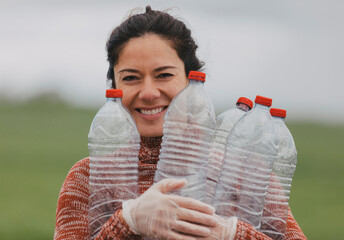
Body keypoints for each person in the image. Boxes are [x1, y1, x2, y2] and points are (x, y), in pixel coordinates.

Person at [54, 6, 307, 240]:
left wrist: (229, 233)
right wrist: (128, 222)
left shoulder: (243, 174)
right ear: (115, 88)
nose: (149, 92)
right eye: (131, 78)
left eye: (164, 75)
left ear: (191, 81)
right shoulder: (87, 177)